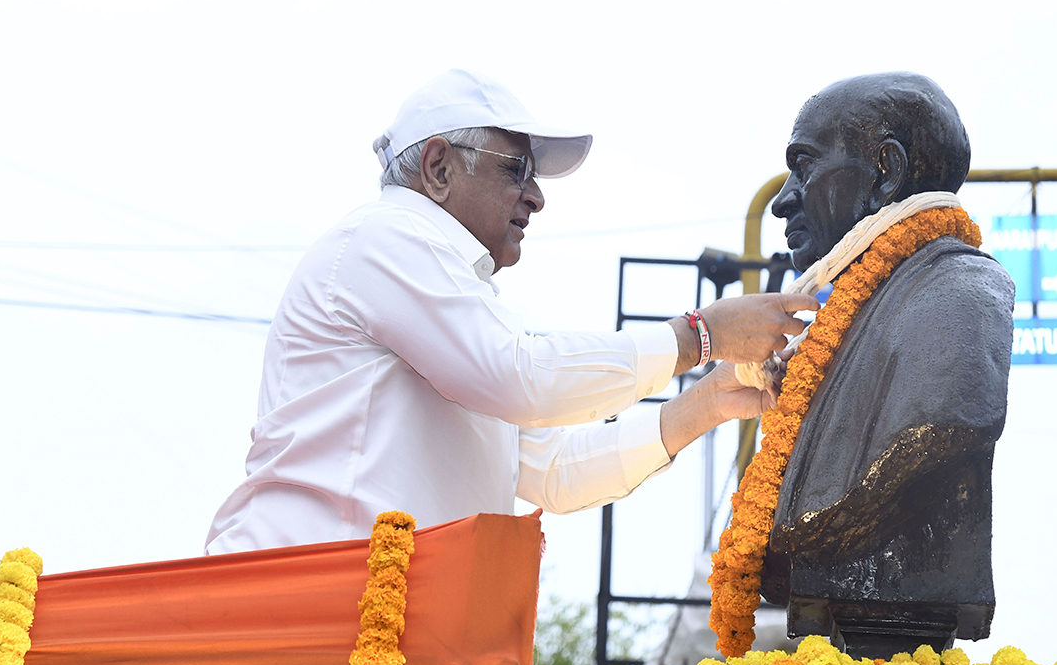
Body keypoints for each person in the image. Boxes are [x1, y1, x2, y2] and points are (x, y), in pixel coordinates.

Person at [206, 70, 815, 553]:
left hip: (361, 624)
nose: (537, 196)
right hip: (298, 610)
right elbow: (520, 378)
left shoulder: (440, 293)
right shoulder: (386, 237)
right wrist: (697, 338)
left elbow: (553, 472)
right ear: (438, 169)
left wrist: (704, 404)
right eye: (515, 169)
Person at [757, 72, 1015, 653]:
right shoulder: (851, 312)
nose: (782, 199)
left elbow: (945, 421)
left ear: (886, 172)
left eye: (805, 165)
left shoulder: (960, 295)